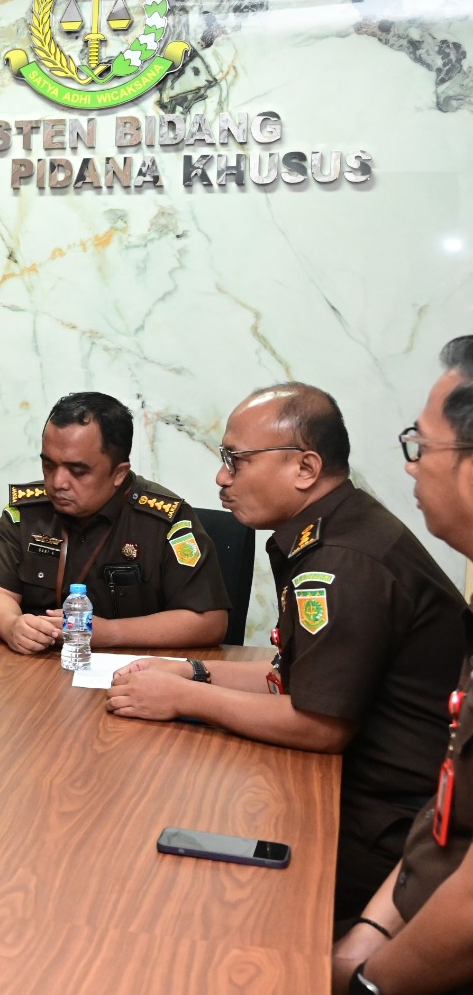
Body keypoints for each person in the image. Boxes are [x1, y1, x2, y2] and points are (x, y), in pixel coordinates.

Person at [108, 383, 467, 923]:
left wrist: (184, 697)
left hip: (383, 827)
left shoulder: (345, 560)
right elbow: (296, 678)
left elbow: (320, 724)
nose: (221, 477)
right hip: (360, 796)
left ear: (305, 468)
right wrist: (194, 672)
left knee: (185, 898)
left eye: (236, 460)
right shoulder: (332, 530)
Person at [331, 339, 473, 995]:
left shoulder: (358, 553)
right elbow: (449, 810)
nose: (411, 469)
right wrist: (373, 932)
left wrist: (367, 981)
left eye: (422, 447)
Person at [0, 392, 231, 653]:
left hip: (135, 675)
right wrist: (12, 625)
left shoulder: (165, 522)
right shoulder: (25, 513)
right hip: (37, 668)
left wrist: (109, 633)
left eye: (77, 471)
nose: (57, 483)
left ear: (119, 473)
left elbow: (209, 622)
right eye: (49, 465)